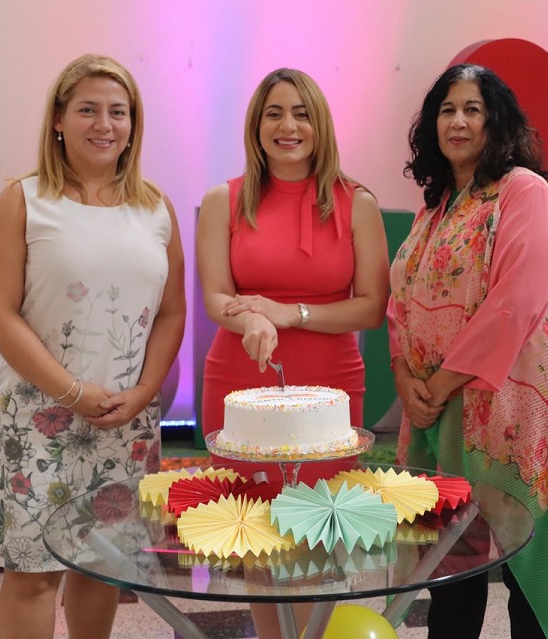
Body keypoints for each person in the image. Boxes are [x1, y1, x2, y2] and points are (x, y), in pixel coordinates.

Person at [0, 54, 186, 639]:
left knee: (101, 564)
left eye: (119, 112)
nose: (104, 124)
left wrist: (142, 393)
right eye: (88, 109)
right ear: (59, 119)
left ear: (133, 124)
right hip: (32, 417)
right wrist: (69, 391)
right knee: (34, 572)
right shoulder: (26, 198)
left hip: (122, 418)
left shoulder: (155, 209)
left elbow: (171, 312)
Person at [388, 63, 548, 639]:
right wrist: (403, 375)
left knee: (527, 577)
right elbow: (401, 301)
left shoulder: (524, 191)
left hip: (514, 418)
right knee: (451, 576)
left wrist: (435, 387)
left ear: (496, 122)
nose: (457, 121)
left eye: (472, 109)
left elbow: (516, 301)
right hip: (442, 419)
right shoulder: (435, 208)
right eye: (446, 110)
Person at [196, 67, 389, 638]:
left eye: (301, 113)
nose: (288, 126)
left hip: (330, 383)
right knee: (258, 538)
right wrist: (252, 314)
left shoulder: (357, 203)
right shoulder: (221, 199)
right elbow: (214, 294)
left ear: (320, 125)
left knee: (315, 536)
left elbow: (372, 307)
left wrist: (293, 314)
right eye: (274, 113)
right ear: (256, 126)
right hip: (239, 376)